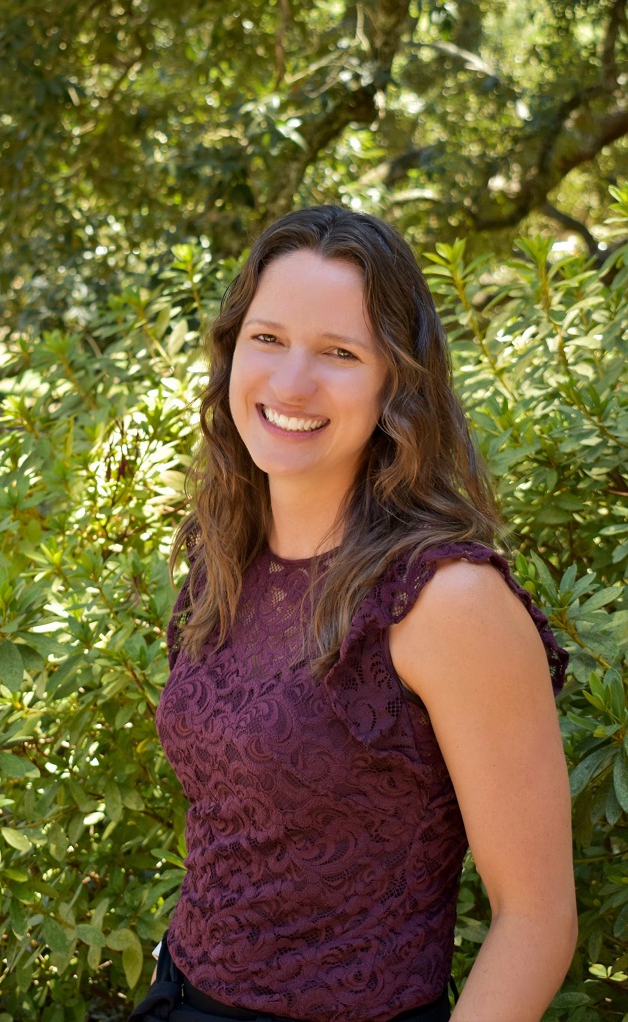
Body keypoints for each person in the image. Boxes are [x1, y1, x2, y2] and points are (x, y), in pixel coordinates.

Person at [131, 205, 576, 1022]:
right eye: (267, 338)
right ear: (232, 350)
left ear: (394, 383)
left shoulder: (447, 602)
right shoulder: (223, 555)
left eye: (339, 353)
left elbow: (537, 920)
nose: (291, 383)